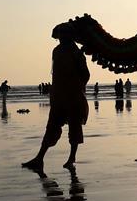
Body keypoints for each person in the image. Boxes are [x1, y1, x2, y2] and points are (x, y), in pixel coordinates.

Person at [23, 27, 90, 170]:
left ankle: (71, 158)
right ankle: (39, 158)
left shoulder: (77, 53)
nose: (59, 39)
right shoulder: (57, 51)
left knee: (74, 128)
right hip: (59, 97)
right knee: (52, 127)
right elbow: (55, 75)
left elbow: (85, 75)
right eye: (58, 36)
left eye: (61, 36)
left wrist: (75, 87)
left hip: (73, 97)